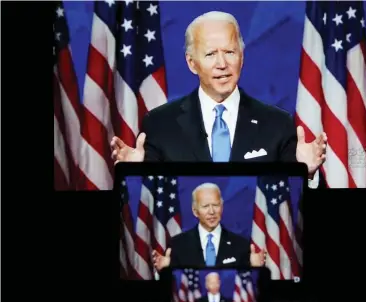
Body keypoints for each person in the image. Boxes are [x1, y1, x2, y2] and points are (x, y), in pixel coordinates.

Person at [110, 11, 327, 187]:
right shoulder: (159, 124)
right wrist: (135, 175)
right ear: (191, 63)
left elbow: (294, 207)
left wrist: (306, 173)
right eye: (210, 54)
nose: (222, 64)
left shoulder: (277, 124)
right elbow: (150, 208)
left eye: (230, 52)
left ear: (242, 57)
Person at [152, 183, 266, 271]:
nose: (211, 211)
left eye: (216, 205)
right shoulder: (178, 244)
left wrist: (255, 269)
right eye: (205, 206)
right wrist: (165, 271)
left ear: (222, 207)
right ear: (195, 211)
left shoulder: (241, 245)